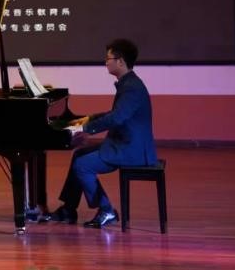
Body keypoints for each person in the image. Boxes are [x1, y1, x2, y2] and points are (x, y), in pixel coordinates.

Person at [47, 38, 157, 228]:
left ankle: (107, 210)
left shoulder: (132, 88)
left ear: (120, 61)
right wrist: (88, 119)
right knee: (79, 155)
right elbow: (115, 114)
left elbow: (117, 118)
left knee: (82, 165)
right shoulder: (129, 83)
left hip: (131, 149)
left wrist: (84, 129)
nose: (105, 62)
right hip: (125, 143)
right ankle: (69, 209)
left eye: (108, 58)